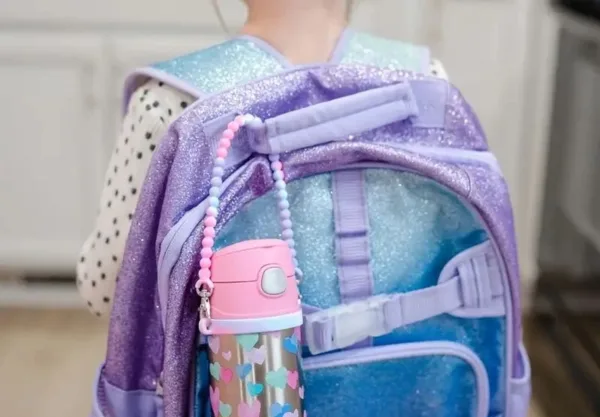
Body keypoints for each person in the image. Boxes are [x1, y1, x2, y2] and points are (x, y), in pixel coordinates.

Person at [76, 0, 447, 316]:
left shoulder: (170, 103)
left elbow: (105, 289)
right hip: (422, 393)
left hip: (242, 392)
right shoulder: (426, 83)